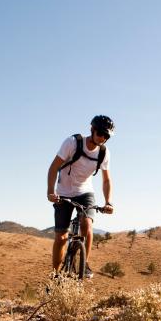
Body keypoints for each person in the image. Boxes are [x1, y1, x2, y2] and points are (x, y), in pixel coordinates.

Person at [47, 115, 115, 278]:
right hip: (63, 192)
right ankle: (55, 274)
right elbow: (53, 167)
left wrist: (108, 202)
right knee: (61, 236)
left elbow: (106, 180)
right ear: (92, 129)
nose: (103, 138)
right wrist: (50, 191)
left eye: (107, 136)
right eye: (101, 133)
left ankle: (84, 265)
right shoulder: (72, 143)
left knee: (87, 225)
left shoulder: (104, 153)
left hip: (85, 192)